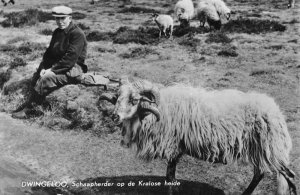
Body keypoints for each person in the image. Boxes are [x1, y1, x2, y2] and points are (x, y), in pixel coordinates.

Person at [12, 5, 88, 119]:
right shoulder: (57, 32)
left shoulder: (77, 34)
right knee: (38, 74)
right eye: (57, 18)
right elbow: (49, 53)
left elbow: (70, 59)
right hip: (60, 65)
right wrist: (44, 67)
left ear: (70, 18)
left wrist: (51, 70)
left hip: (73, 68)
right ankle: (32, 103)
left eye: (63, 18)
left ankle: (30, 110)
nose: (60, 21)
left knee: (47, 78)